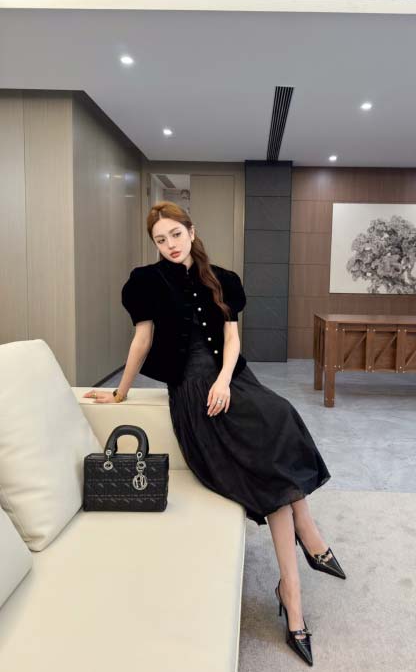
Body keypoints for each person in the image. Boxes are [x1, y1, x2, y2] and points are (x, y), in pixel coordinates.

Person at [83, 201, 346, 667]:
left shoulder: (223, 278)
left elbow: (232, 339)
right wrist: (120, 393)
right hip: (192, 391)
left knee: (279, 416)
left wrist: (224, 381)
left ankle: (293, 582)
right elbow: (142, 340)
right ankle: (302, 566)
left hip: (231, 380)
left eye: (175, 234)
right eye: (160, 239)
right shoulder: (145, 281)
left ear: (191, 230)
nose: (169, 244)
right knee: (272, 452)